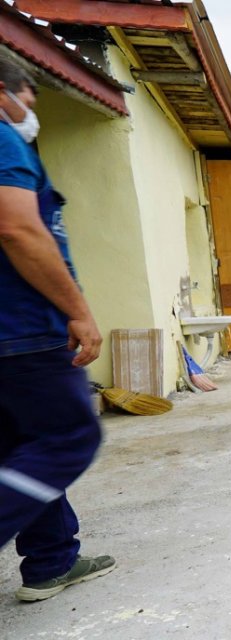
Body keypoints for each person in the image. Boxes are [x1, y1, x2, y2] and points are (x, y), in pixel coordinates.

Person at [0, 61, 115, 602]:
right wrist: (78, 309)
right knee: (71, 437)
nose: (32, 113)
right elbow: (18, 228)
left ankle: (50, 561)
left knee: (23, 445)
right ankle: (50, 559)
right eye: (31, 98)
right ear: (5, 91)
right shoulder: (2, 138)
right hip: (21, 327)